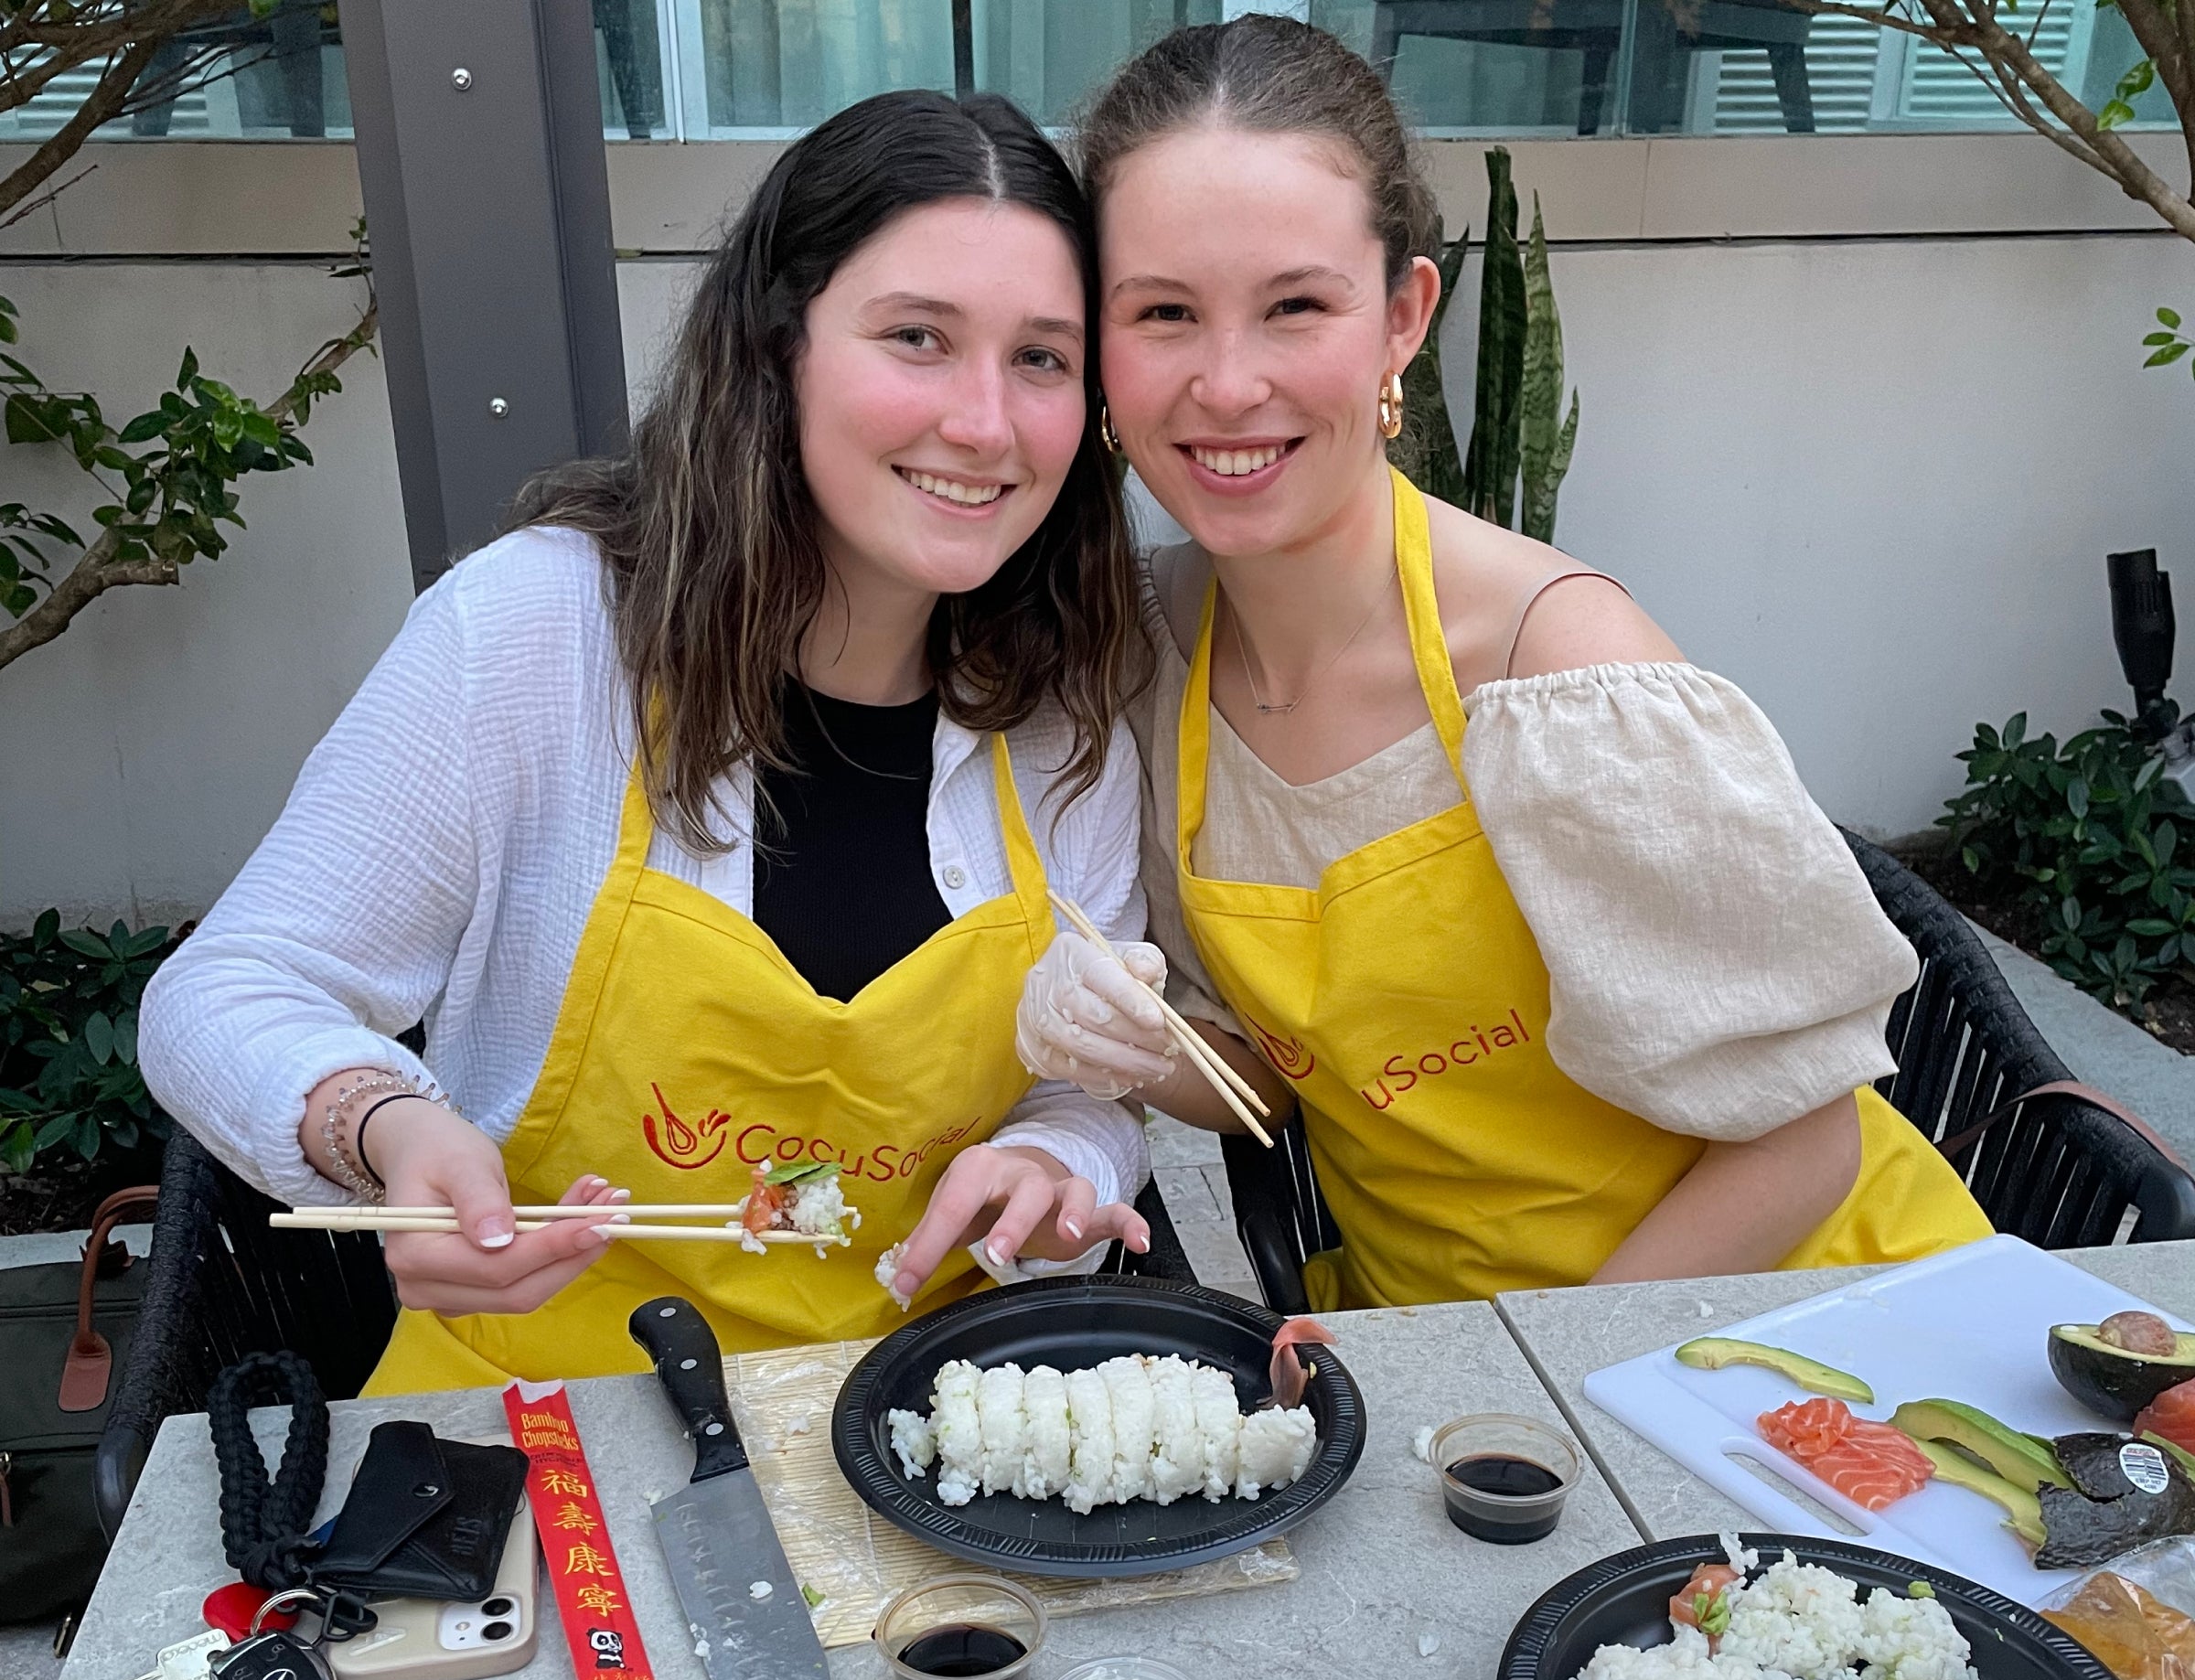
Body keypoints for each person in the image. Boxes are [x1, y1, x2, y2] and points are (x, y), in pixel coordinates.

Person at [142, 88, 1156, 1391]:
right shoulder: (537, 631)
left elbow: (1083, 1089)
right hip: (545, 1424)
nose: (983, 422)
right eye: (917, 337)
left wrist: (1060, 1162)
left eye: (1043, 359)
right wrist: (379, 1124)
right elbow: (219, 992)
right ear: (778, 344)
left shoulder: (1061, 705)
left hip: (930, 1423)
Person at [1013, 16, 1989, 1311]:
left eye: (1296, 305)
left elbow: (1803, 1136)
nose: (1227, 383)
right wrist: (1123, 1044)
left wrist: (1539, 1394)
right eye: (1164, 314)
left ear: (1403, 318)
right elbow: (1267, 1087)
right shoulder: (1151, 651)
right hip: (1444, 1369)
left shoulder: (1566, 676)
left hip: (1797, 1329)